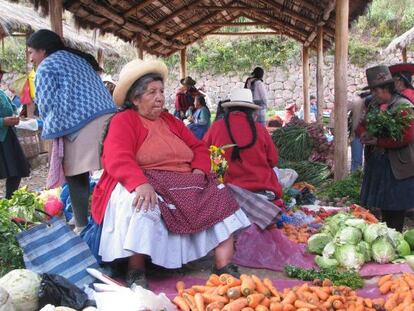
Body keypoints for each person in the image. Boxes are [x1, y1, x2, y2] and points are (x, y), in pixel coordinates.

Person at [91, 59, 250, 288]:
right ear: (135, 99)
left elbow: (198, 147)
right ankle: (136, 269)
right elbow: (117, 157)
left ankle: (223, 265)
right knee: (142, 204)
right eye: (151, 92)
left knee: (221, 196)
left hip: (186, 180)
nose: (159, 97)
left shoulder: (169, 121)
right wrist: (139, 184)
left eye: (161, 91)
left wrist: (199, 170)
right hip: (148, 180)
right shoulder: (124, 120)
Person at [27, 29, 116, 233]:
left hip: (83, 123)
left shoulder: (47, 66)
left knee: (75, 173)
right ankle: (84, 219)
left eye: (32, 52)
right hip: (108, 117)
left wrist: (47, 125)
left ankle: (82, 225)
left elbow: (47, 103)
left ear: (43, 50)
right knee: (112, 168)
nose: (31, 58)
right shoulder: (76, 58)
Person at [204, 88, 282, 229]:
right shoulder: (259, 129)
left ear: (230, 109)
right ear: (251, 111)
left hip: (225, 191)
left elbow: (203, 155)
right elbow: (273, 161)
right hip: (261, 189)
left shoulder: (216, 128)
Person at [357, 65, 414, 231]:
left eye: (376, 91)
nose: (373, 94)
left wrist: (378, 142)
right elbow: (362, 124)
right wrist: (363, 133)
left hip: (397, 167)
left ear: (386, 88)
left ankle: (394, 236)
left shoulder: (404, 106)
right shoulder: (374, 105)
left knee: (395, 208)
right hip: (378, 164)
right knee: (381, 206)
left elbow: (406, 137)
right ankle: (384, 235)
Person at [0, 66, 30, 199]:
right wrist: (3, 121)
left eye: (0, 74)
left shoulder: (1, 93)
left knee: (16, 170)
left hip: (7, 136)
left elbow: (12, 108)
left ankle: (9, 201)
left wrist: (16, 117)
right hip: (3, 134)